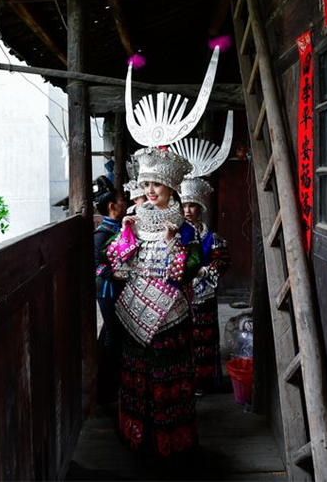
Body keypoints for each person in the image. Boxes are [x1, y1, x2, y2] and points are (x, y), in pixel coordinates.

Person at [107, 148, 202, 458]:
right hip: (134, 314)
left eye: (156, 185)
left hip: (171, 317)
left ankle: (171, 443)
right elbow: (117, 269)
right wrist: (125, 235)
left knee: (168, 378)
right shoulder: (132, 222)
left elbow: (190, 270)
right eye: (146, 184)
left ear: (171, 188)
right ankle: (137, 438)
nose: (149, 191)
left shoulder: (187, 229)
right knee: (136, 376)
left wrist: (174, 243)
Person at [180, 177, 230, 394]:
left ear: (200, 208)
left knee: (205, 339)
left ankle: (203, 381)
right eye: (183, 205)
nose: (187, 210)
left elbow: (222, 261)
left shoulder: (211, 236)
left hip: (204, 294)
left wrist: (205, 270)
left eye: (192, 205)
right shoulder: (176, 235)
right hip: (181, 295)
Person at [93, 176, 128, 404]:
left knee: (112, 333)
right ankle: (106, 390)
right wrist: (113, 274)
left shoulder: (119, 228)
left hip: (117, 287)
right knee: (113, 336)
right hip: (107, 289)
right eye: (121, 199)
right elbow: (96, 264)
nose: (124, 202)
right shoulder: (102, 234)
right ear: (111, 207)